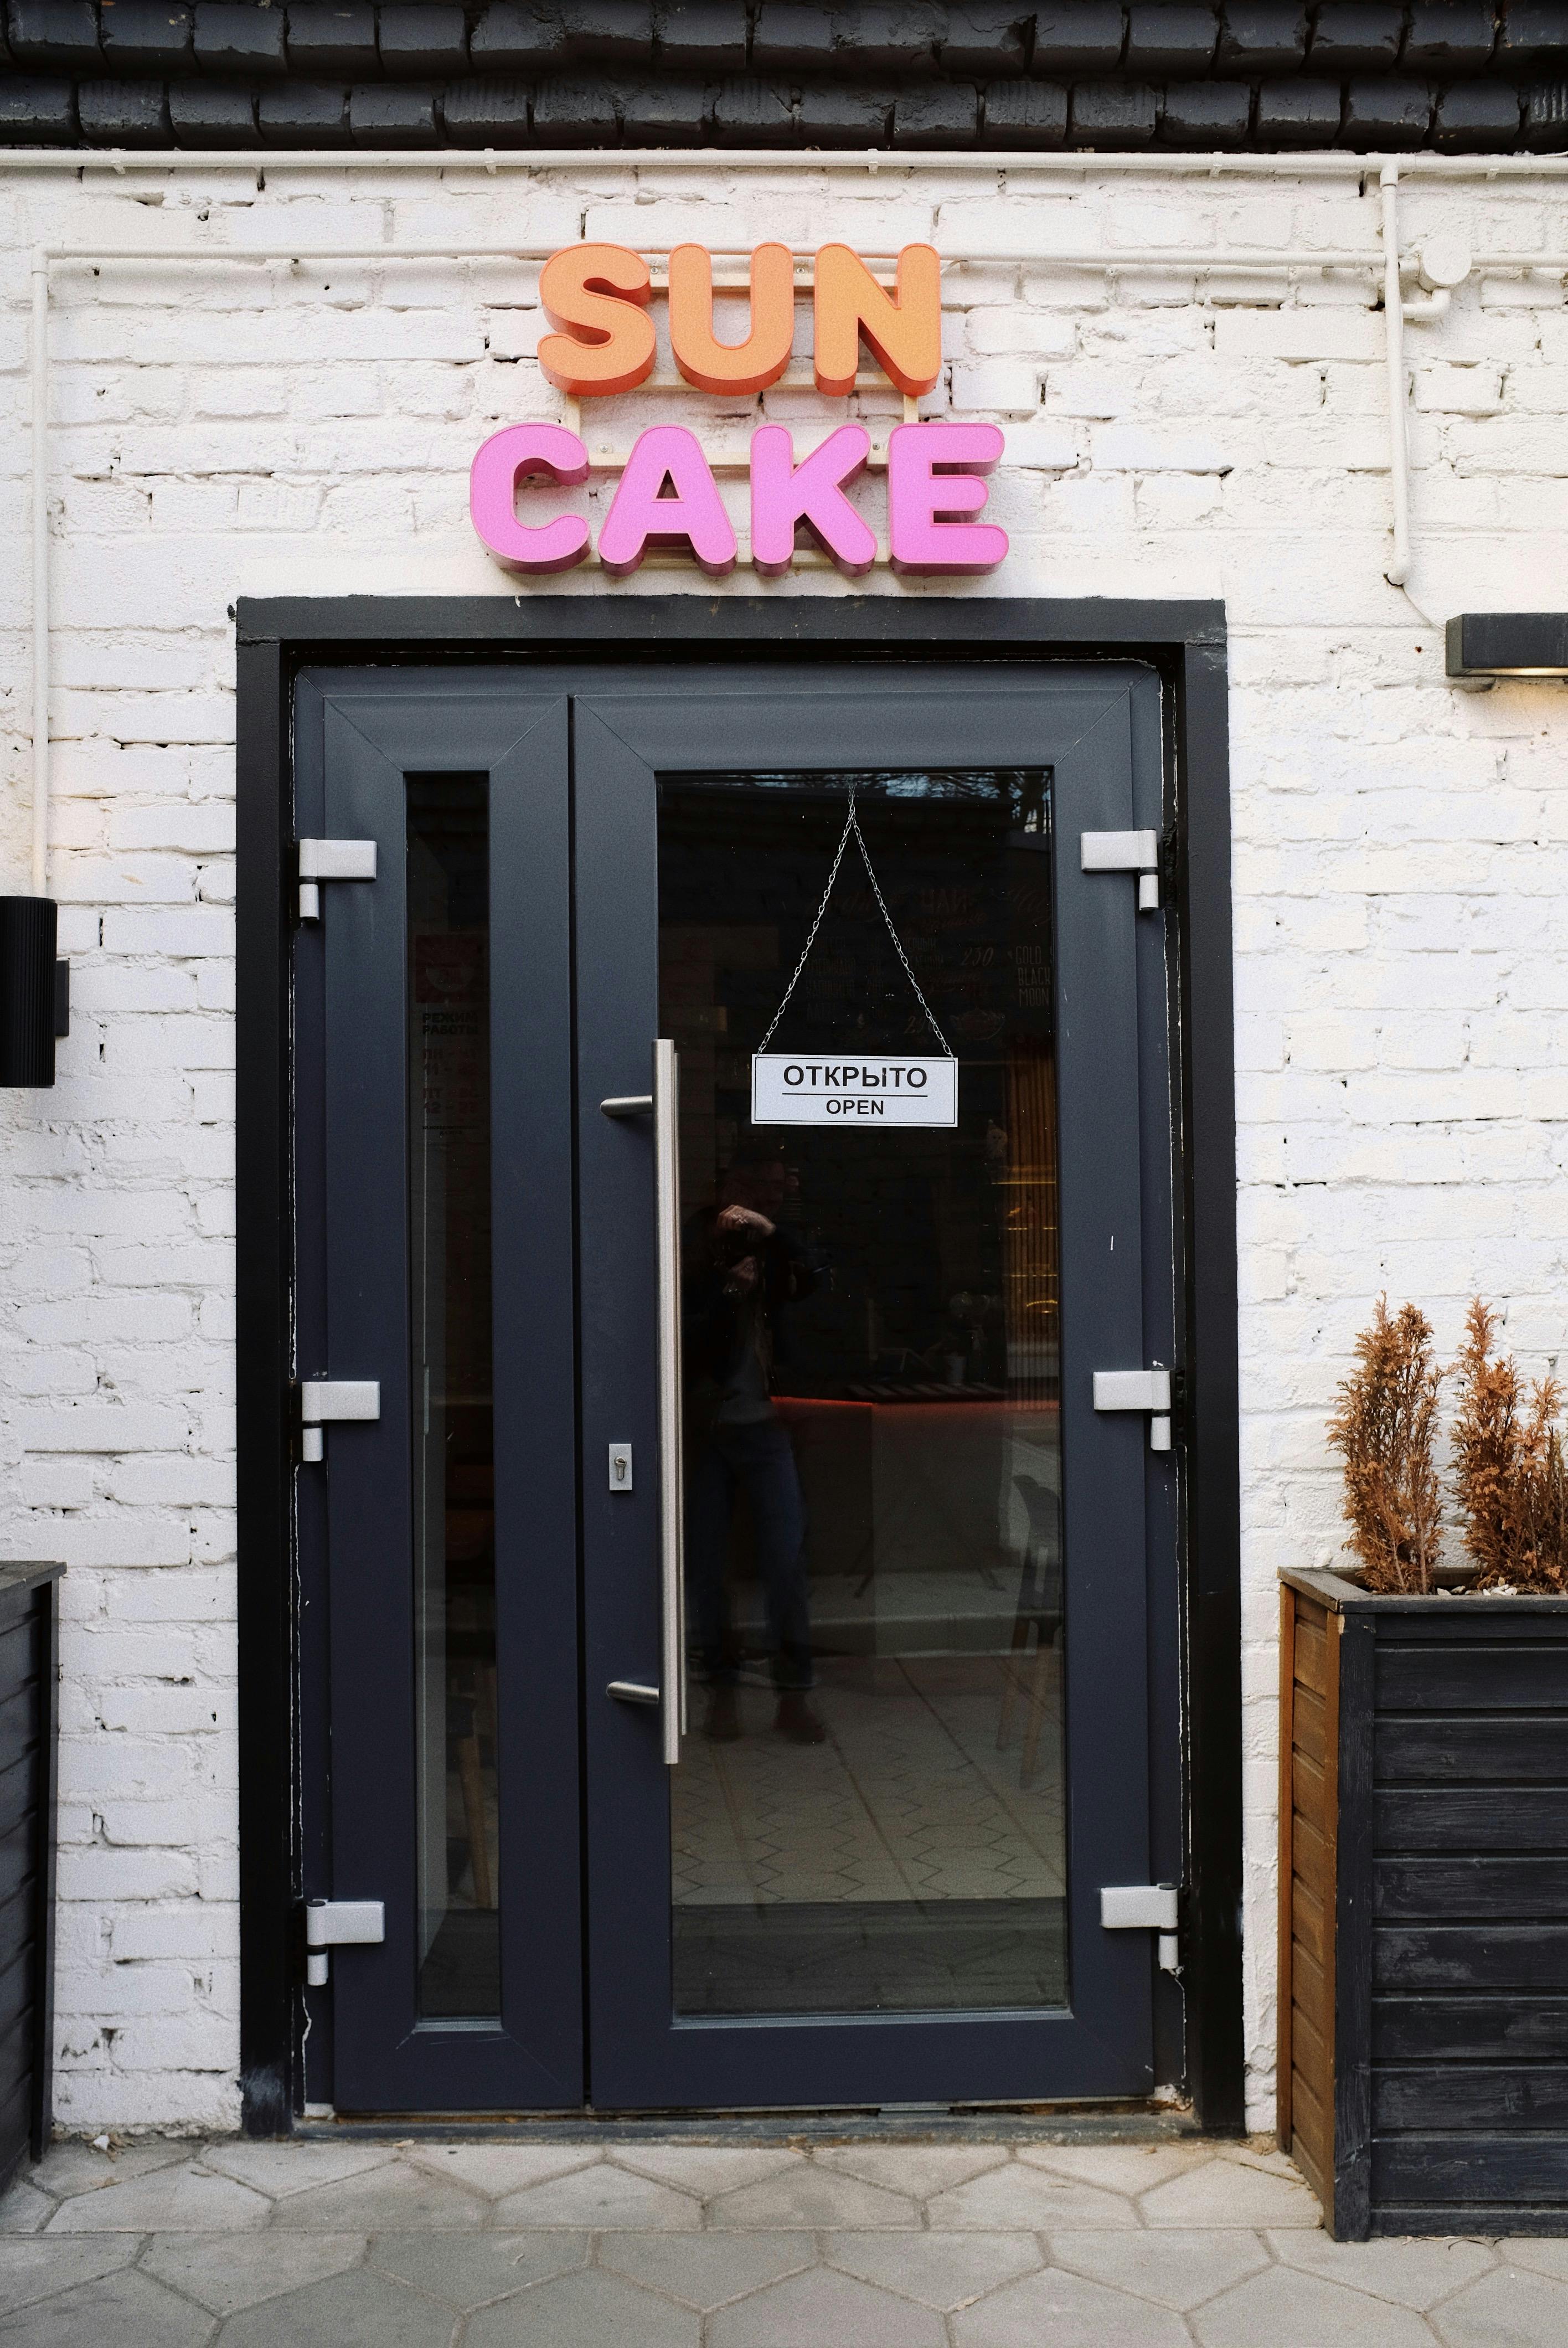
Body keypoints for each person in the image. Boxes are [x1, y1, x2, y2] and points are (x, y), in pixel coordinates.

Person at [684, 1150, 826, 1744]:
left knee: (785, 1560)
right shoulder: (695, 1237)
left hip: (768, 1423)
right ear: (726, 1185)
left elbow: (817, 1280)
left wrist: (776, 1235)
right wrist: (727, 1291)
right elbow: (681, 1327)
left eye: (775, 1189)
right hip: (707, 1424)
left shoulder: (780, 1241)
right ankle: (720, 1689)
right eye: (754, 1187)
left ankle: (793, 1695)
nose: (764, 1200)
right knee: (707, 1563)